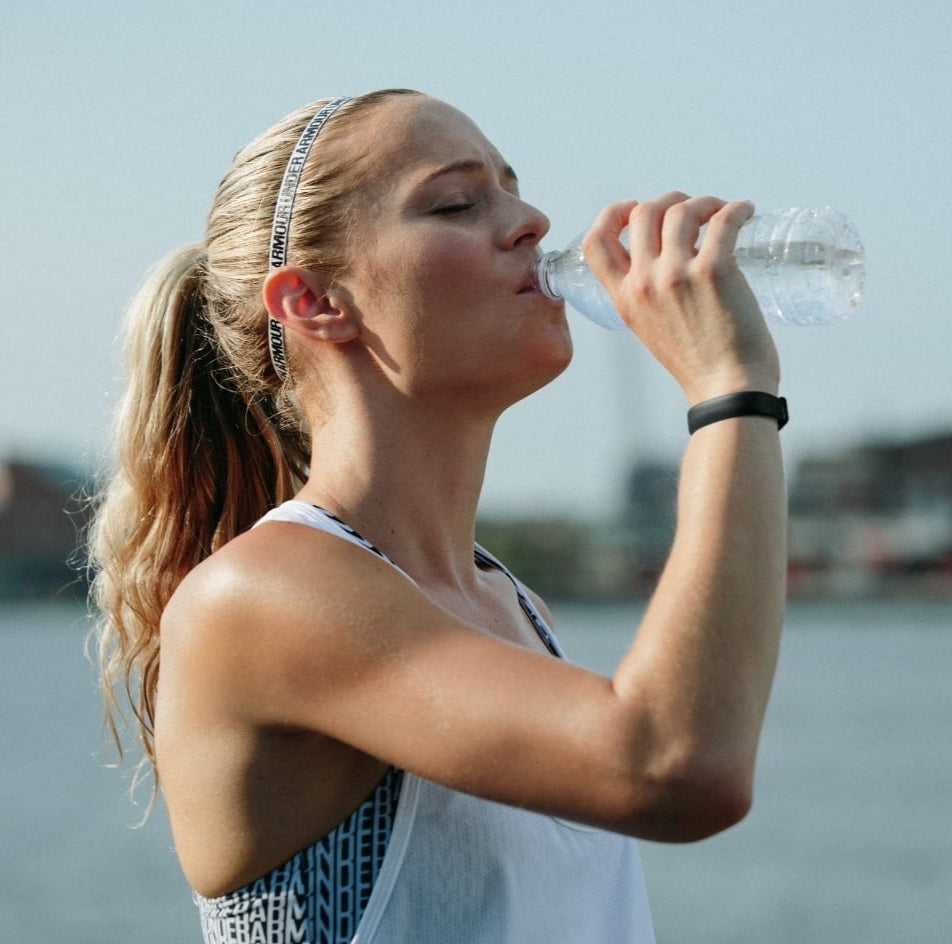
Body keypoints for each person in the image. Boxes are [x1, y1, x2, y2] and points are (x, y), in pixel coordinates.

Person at [89, 88, 787, 943]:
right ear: (313, 301)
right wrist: (728, 389)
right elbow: (675, 766)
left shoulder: (506, 601)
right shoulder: (262, 595)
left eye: (513, 187)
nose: (531, 220)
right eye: (457, 202)